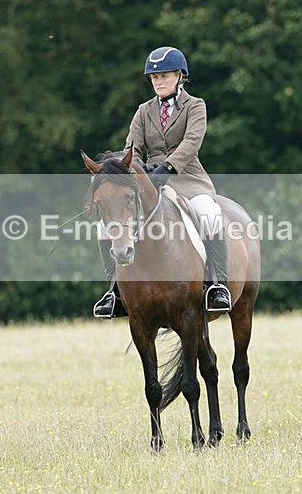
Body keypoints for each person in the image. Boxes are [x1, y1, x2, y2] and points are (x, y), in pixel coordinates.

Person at [93, 46, 232, 318]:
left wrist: (168, 166)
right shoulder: (144, 111)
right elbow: (132, 147)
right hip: (150, 182)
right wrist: (134, 170)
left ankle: (217, 286)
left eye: (164, 76)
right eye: (154, 78)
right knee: (103, 226)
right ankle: (114, 291)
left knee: (210, 213)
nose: (159, 82)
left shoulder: (196, 106)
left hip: (188, 178)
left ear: (180, 76)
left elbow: (192, 141)